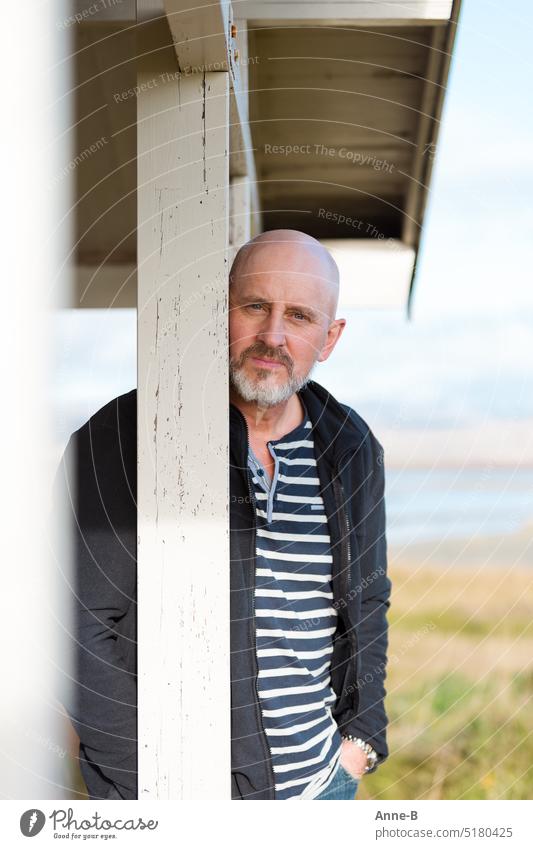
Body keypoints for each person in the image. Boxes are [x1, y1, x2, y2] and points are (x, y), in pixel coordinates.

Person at [55, 229, 391, 800]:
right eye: (256, 306)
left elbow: (368, 598)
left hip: (322, 787)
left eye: (301, 316)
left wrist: (361, 739)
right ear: (221, 313)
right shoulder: (121, 438)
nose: (273, 336)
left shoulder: (353, 448)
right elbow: (75, 627)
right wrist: (153, 784)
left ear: (330, 337)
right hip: (174, 798)